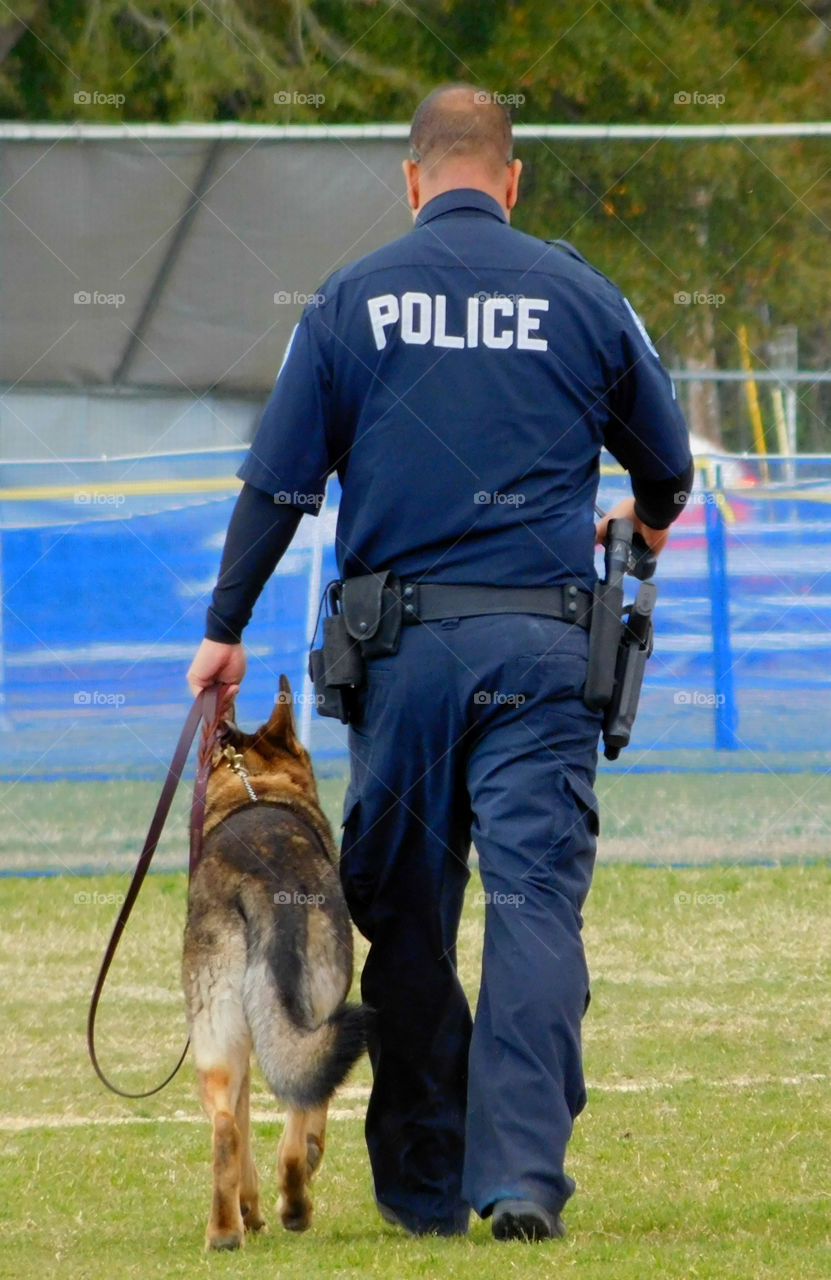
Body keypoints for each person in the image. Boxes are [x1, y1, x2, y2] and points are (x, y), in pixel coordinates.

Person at [187, 83, 693, 1242]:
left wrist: (223, 628)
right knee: (533, 910)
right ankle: (518, 1173)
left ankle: (425, 1183)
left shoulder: (350, 300)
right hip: (542, 653)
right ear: (510, 180)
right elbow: (667, 464)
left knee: (408, 914)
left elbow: (276, 485)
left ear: (411, 182)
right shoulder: (581, 293)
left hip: (401, 655)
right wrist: (648, 522)